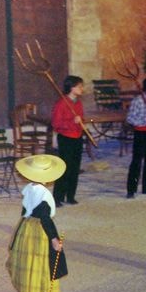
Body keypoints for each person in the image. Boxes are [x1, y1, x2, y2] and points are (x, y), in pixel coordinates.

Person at [6, 154, 68, 292]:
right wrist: (54, 239)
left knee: (25, 267)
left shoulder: (29, 189)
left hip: (26, 229)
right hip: (39, 233)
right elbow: (46, 219)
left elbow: (24, 211)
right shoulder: (44, 194)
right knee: (36, 268)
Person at [51, 75, 85, 206]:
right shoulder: (61, 103)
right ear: (71, 88)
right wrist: (72, 121)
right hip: (66, 138)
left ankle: (70, 196)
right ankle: (58, 197)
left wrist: (81, 122)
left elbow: (81, 118)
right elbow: (56, 123)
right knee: (64, 168)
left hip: (77, 137)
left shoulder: (78, 103)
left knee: (75, 168)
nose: (82, 89)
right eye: (79, 86)